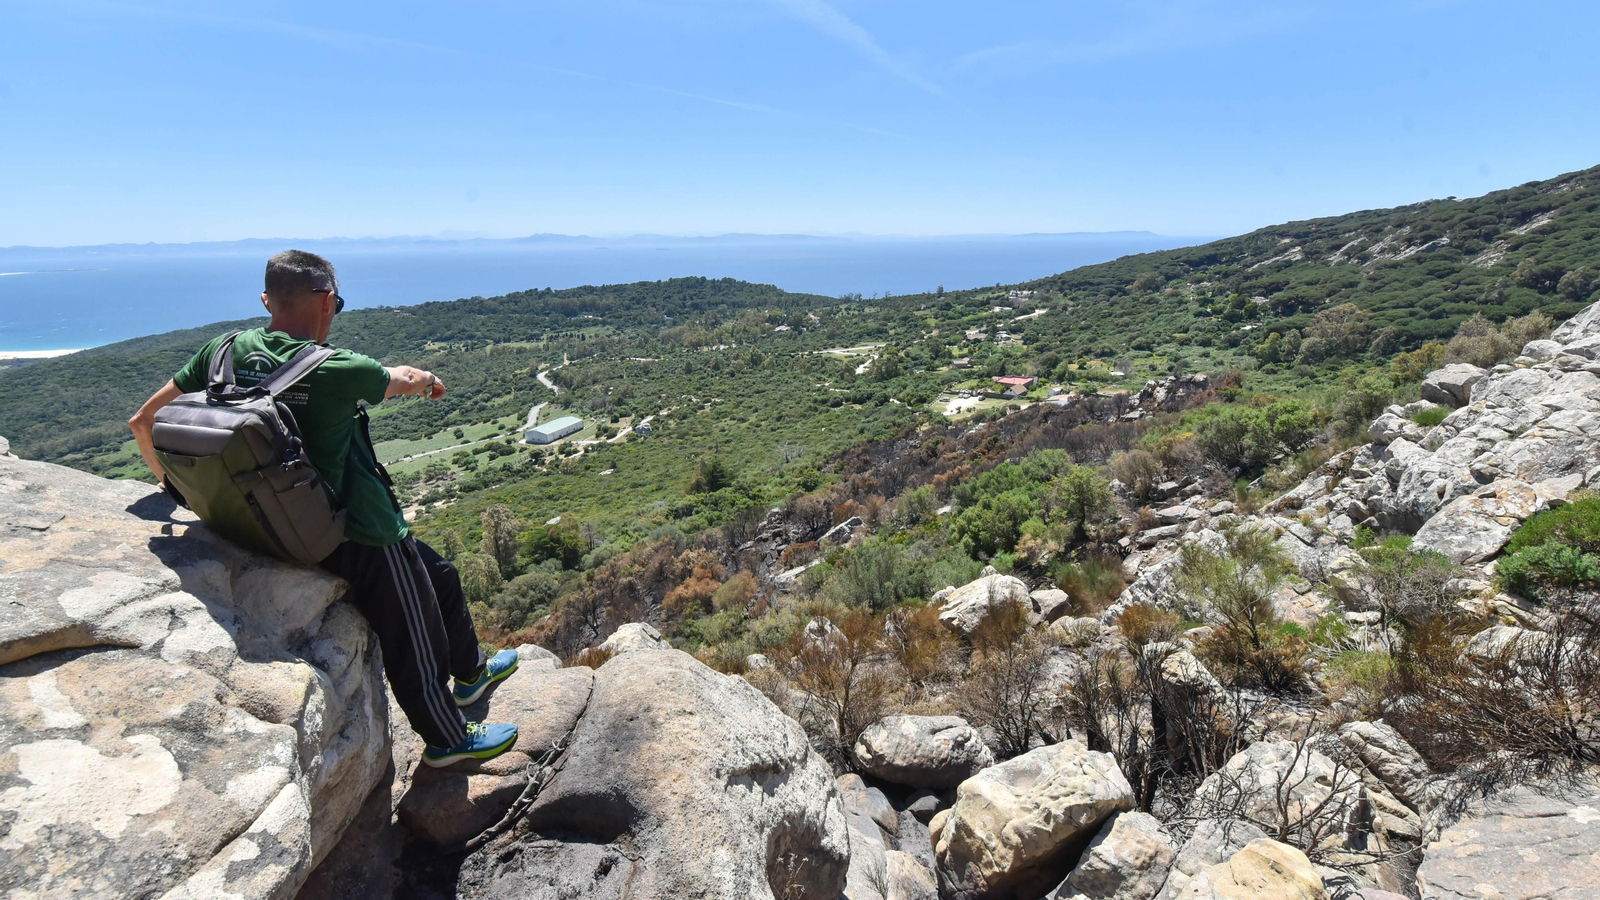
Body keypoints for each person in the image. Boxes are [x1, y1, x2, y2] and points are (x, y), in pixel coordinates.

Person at [129, 249, 520, 768]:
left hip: (261, 525)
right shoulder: (337, 368)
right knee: (413, 624)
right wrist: (428, 379)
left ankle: (471, 673)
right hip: (356, 532)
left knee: (441, 575)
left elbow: (142, 422)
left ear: (267, 301)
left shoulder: (221, 352)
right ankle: (447, 738)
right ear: (328, 301)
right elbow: (400, 379)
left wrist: (183, 495)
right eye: (338, 300)